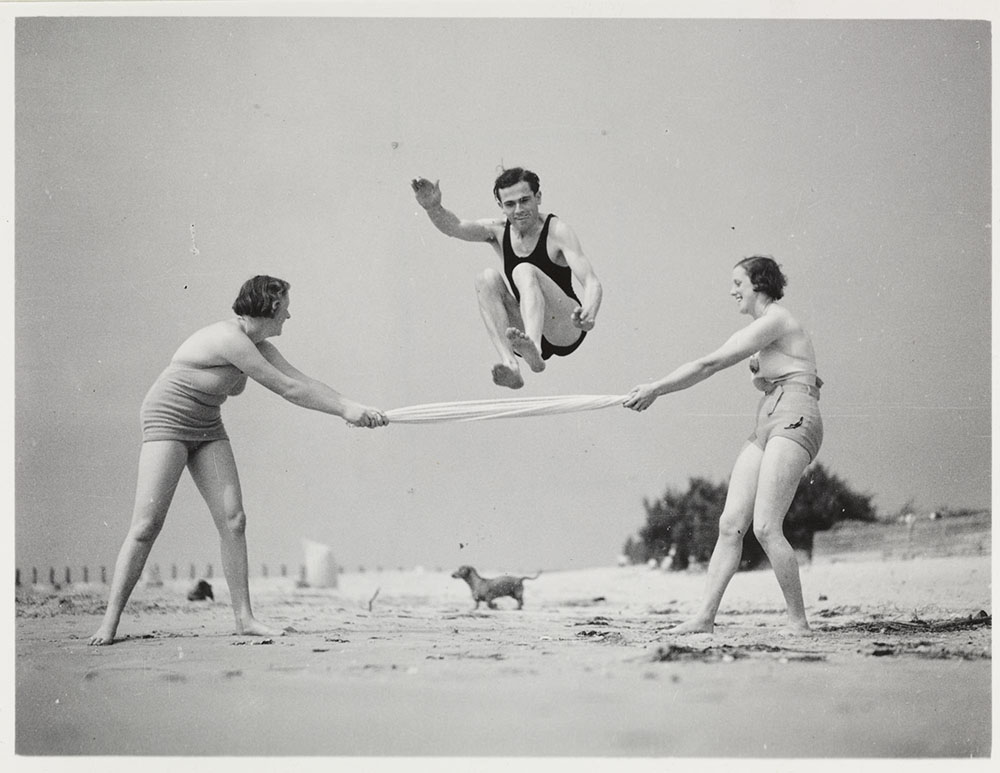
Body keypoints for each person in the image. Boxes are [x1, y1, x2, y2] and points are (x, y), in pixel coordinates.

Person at [89, 275, 387, 645]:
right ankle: (109, 622)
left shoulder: (256, 345)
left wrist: (352, 407)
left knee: (234, 520)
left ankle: (244, 619)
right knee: (147, 524)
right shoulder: (232, 339)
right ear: (273, 306)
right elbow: (288, 389)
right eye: (287, 308)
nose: (290, 316)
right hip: (167, 418)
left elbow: (301, 379)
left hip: (207, 424)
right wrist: (345, 410)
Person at [624, 256, 822, 635]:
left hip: (795, 416)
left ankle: (798, 622)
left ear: (758, 284)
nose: (732, 291)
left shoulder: (776, 320)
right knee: (730, 524)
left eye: (738, 283)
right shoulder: (767, 333)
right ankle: (703, 618)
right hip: (770, 416)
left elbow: (709, 364)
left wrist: (655, 389)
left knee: (765, 526)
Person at [411, 167, 602, 389]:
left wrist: (589, 313)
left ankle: (535, 350)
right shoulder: (499, 230)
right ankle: (510, 364)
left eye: (525, 201)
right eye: (510, 204)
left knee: (523, 269)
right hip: (523, 326)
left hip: (564, 326)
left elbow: (591, 281)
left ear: (538, 197)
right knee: (485, 278)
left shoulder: (557, 230)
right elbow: (455, 227)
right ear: (501, 206)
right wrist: (433, 207)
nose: (519, 210)